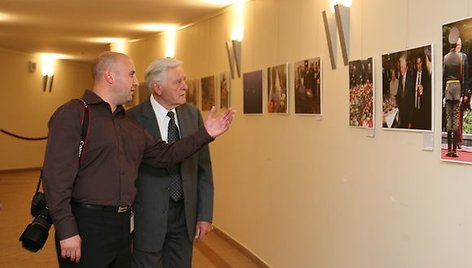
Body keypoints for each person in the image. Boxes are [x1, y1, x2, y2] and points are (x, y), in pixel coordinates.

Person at [41, 51, 235, 268]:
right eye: (131, 74)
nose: (136, 81)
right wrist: (66, 230)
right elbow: (55, 179)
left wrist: (205, 134)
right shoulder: (74, 114)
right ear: (109, 76)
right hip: (87, 224)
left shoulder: (128, 124)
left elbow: (165, 155)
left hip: (123, 227)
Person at [128, 58, 214, 268]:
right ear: (157, 87)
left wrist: (204, 215)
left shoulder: (192, 115)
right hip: (147, 217)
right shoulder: (133, 119)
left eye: (184, 80)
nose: (185, 86)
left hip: (183, 217)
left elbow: (204, 168)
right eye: (177, 82)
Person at [443, 27, 463, 157]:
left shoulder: (445, 58)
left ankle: (449, 149)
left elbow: (444, 74)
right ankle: (454, 150)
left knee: (449, 119)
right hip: (457, 88)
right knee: (455, 119)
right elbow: (461, 74)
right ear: (456, 43)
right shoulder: (460, 58)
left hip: (448, 88)